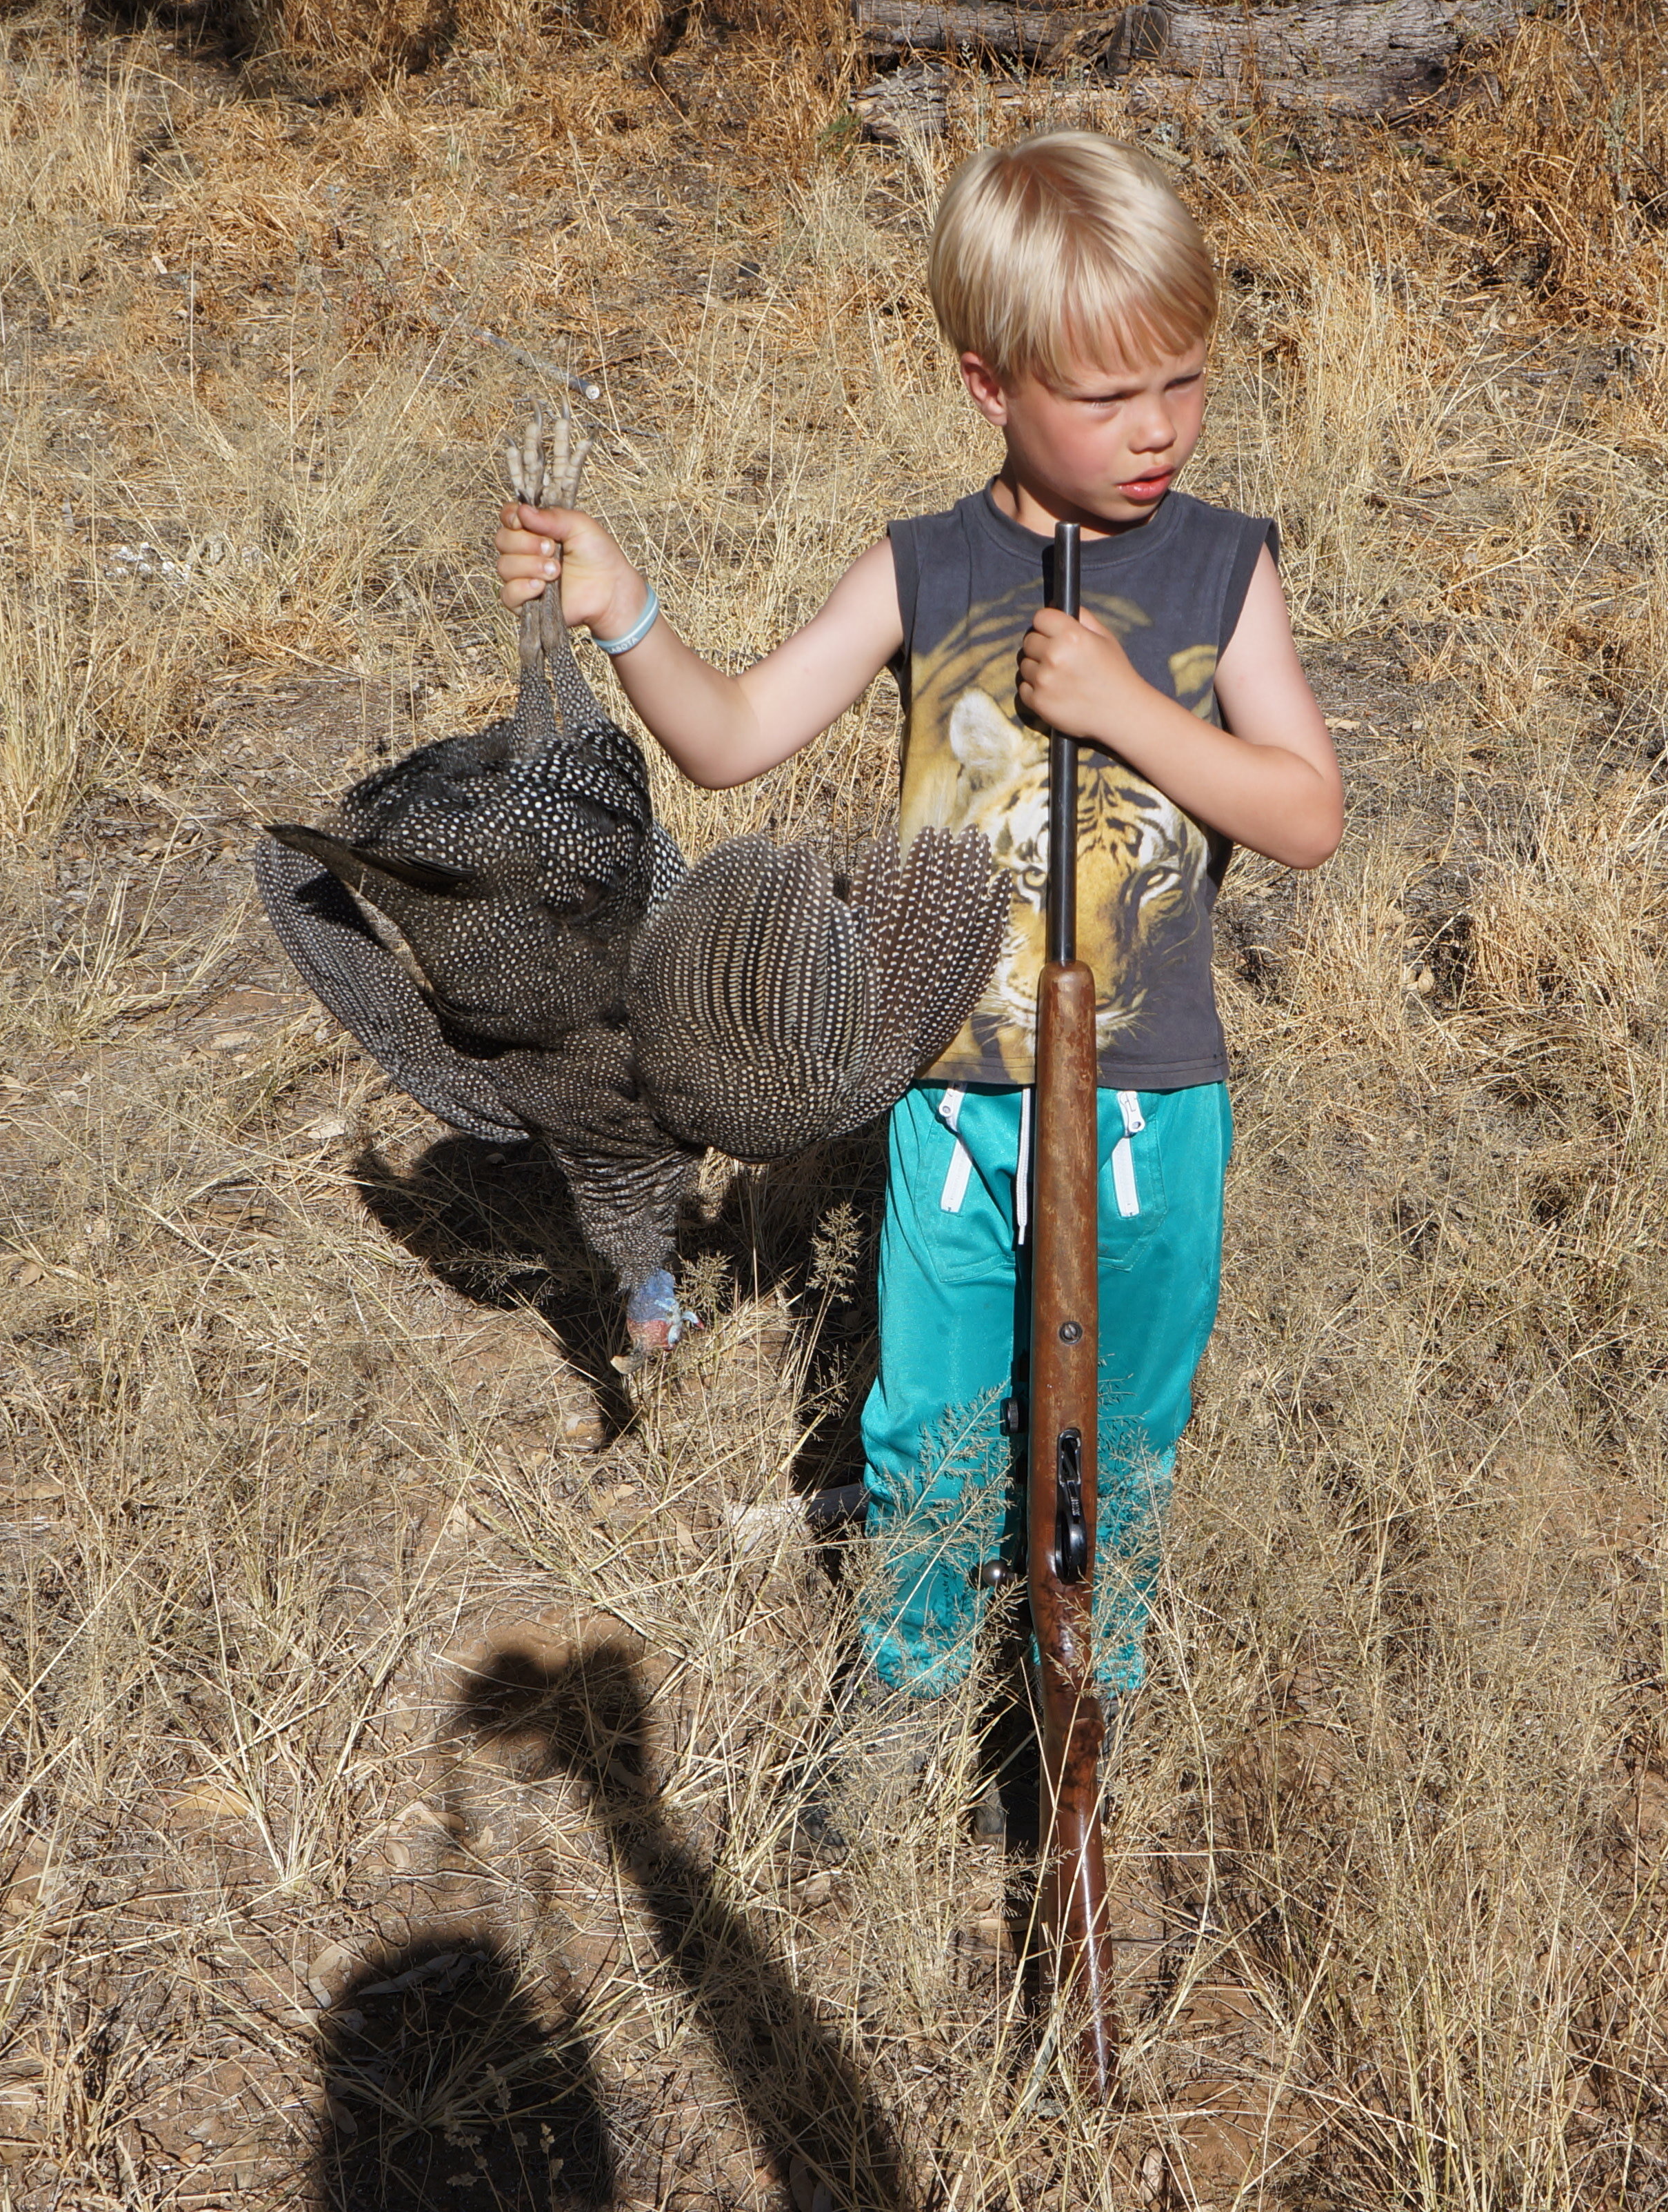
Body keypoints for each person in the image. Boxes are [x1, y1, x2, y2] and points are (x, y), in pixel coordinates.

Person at [492, 130, 1343, 1831]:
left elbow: (1305, 812)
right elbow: (730, 739)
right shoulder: (921, 569)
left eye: (1183, 379)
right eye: (1108, 397)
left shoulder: (1217, 566)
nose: (1159, 428)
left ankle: (1083, 1704)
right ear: (987, 384)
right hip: (953, 1098)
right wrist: (625, 608)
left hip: (1149, 1103)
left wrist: (1132, 712)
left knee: (1123, 1427)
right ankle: (908, 1681)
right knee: (935, 1419)